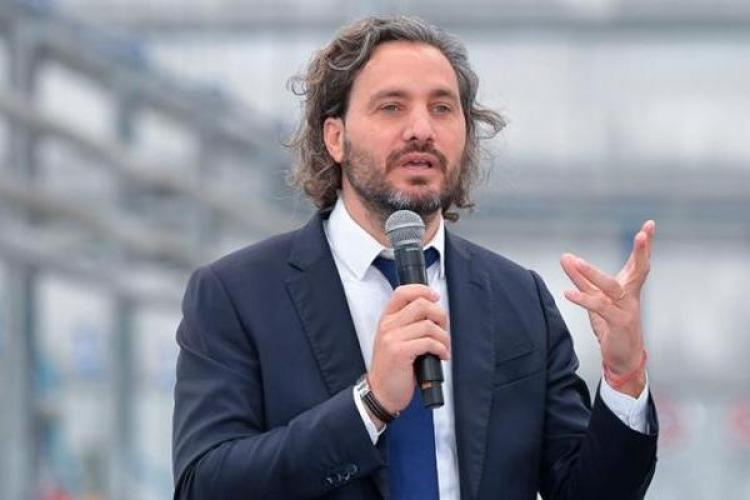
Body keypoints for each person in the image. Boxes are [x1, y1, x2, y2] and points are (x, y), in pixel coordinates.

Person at [172, 15, 658, 500]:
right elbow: (204, 486)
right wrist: (370, 405)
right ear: (335, 137)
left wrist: (624, 376)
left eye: (442, 108)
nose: (421, 129)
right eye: (392, 107)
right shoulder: (238, 295)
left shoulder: (519, 298)